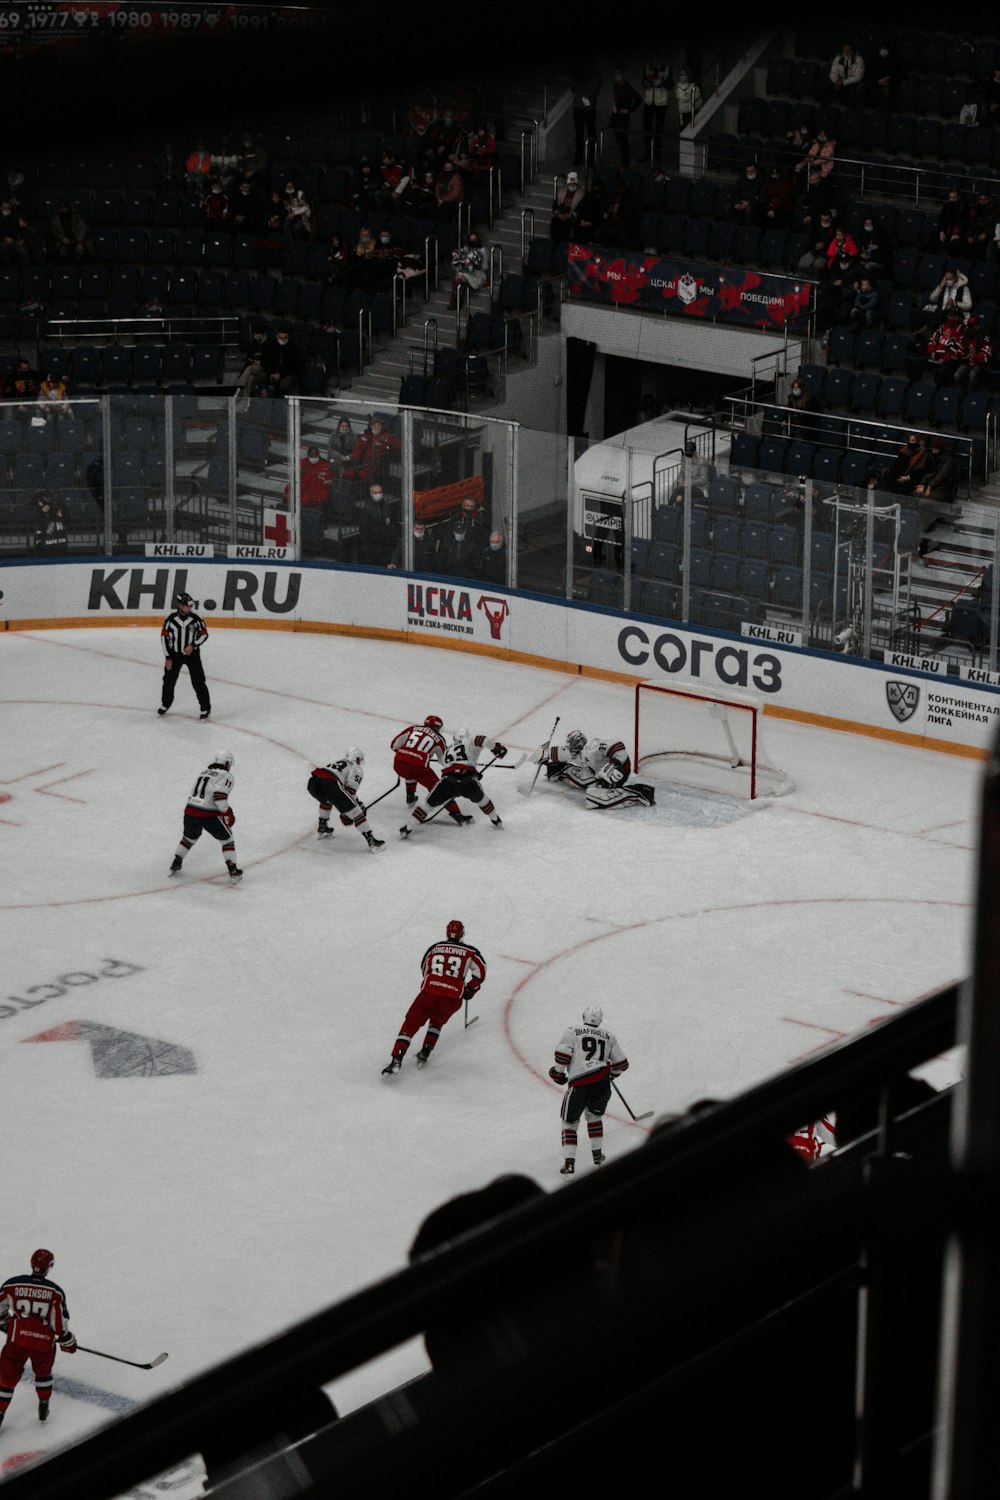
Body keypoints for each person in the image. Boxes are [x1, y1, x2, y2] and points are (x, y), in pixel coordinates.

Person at [381, 918, 487, 1075]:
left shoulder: (435, 948)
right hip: (452, 998)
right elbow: (481, 972)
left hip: (429, 994)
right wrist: (470, 989)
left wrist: (433, 982)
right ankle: (425, 1051)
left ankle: (396, 1060)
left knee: (410, 1024)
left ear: (447, 932)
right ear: (462, 934)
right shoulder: (470, 952)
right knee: (437, 1022)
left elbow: (425, 967)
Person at [0, 1249, 76, 1430]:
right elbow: (58, 1324)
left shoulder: (12, 1285)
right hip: (43, 1343)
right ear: (50, 1267)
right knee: (43, 1373)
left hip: (16, 1340)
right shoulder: (55, 1292)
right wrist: (67, 1340)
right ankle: (43, 1405)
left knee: (6, 1379)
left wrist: (5, 1324)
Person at [550, 1005, 630, 1175]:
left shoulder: (573, 1030)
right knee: (594, 1117)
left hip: (579, 1084)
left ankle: (569, 1166)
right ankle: (598, 1157)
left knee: (569, 1124)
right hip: (602, 1084)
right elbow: (622, 1064)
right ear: (600, 1020)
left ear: (583, 1017)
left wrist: (557, 1073)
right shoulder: (609, 1036)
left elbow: (563, 1056)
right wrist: (611, 1075)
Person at [398, 728, 507, 839]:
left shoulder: (448, 750)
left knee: (427, 805)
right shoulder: (470, 740)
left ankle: (407, 828)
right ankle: (496, 820)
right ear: (467, 736)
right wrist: (497, 749)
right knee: (483, 800)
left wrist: (471, 772)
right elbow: (483, 740)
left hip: (448, 781)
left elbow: (451, 766)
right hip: (468, 781)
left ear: (454, 738)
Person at [168, 750, 242, 883]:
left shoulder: (203, 772)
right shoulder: (226, 775)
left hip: (190, 810)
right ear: (226, 763)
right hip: (207, 813)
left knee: (189, 838)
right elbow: (219, 795)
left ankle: (176, 861)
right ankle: (233, 869)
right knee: (227, 840)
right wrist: (227, 811)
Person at [533, 731, 653, 810]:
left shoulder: (594, 746)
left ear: (578, 743)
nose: (570, 747)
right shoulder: (575, 752)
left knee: (595, 799)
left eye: (572, 744)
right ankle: (559, 770)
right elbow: (560, 752)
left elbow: (618, 747)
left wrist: (614, 765)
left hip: (618, 772)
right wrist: (545, 754)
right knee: (586, 783)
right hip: (600, 775)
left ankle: (638, 793)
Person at [389, 713, 471, 823]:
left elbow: (394, 745)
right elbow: (445, 762)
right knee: (441, 789)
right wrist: (459, 763)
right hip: (418, 769)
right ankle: (457, 814)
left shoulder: (412, 728)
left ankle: (410, 796)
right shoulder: (439, 739)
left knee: (409, 771)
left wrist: (409, 754)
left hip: (398, 764)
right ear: (437, 727)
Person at [306, 748, 385, 851]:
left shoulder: (339, 761)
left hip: (313, 783)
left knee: (326, 800)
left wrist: (348, 808)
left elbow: (342, 794)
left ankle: (323, 827)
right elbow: (349, 792)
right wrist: (351, 810)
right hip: (330, 785)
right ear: (357, 758)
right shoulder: (356, 768)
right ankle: (372, 841)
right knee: (356, 812)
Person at [158, 590, 211, 720]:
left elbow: (204, 634)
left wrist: (193, 646)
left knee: (198, 681)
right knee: (168, 681)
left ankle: (205, 707)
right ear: (180, 606)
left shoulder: (196, 619)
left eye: (191, 605)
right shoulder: (170, 620)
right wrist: (168, 657)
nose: (190, 607)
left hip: (192, 656)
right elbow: (164, 638)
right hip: (174, 655)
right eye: (187, 605)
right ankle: (166, 703)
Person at [356, 481, 399, 566]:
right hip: (373, 546)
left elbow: (390, 522)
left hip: (386, 544)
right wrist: (366, 547)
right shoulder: (367, 509)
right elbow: (364, 529)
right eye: (375, 493)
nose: (378, 494)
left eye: (380, 492)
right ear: (371, 494)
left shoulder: (385, 506)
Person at [641, 59, 672, 164]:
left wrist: (661, 82)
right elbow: (643, 82)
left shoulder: (666, 68)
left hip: (661, 103)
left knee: (659, 129)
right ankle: (648, 152)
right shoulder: (647, 66)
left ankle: (658, 154)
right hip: (649, 102)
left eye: (656, 56)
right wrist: (646, 83)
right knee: (646, 127)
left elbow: (670, 85)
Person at [609, 68, 642, 166]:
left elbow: (638, 99)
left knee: (623, 139)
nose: (616, 76)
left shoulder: (627, 87)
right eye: (615, 73)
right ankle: (623, 159)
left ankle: (625, 161)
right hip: (616, 116)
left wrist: (629, 110)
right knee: (619, 139)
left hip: (623, 117)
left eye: (618, 73)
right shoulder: (616, 86)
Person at [260, 326, 304, 396]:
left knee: (284, 385)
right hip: (272, 372)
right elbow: (265, 361)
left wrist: (280, 374)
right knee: (260, 377)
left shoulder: (293, 347)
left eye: (285, 338)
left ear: (288, 336)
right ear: (277, 336)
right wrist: (271, 373)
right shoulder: (271, 345)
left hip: (287, 374)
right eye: (281, 338)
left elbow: (295, 365)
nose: (283, 340)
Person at [286, 446, 333, 510]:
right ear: (308, 455)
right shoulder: (302, 463)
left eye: (315, 455)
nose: (313, 457)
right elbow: (294, 480)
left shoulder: (325, 466)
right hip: (302, 494)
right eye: (311, 455)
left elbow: (326, 485)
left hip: (316, 497)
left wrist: (321, 499)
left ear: (318, 455)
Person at [449, 231, 487, 308]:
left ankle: (459, 300)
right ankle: (454, 300)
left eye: (474, 240)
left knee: (462, 277)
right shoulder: (465, 249)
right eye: (471, 240)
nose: (473, 242)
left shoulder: (482, 251)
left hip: (477, 273)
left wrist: (476, 265)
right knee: (458, 276)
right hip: (466, 270)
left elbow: (485, 266)